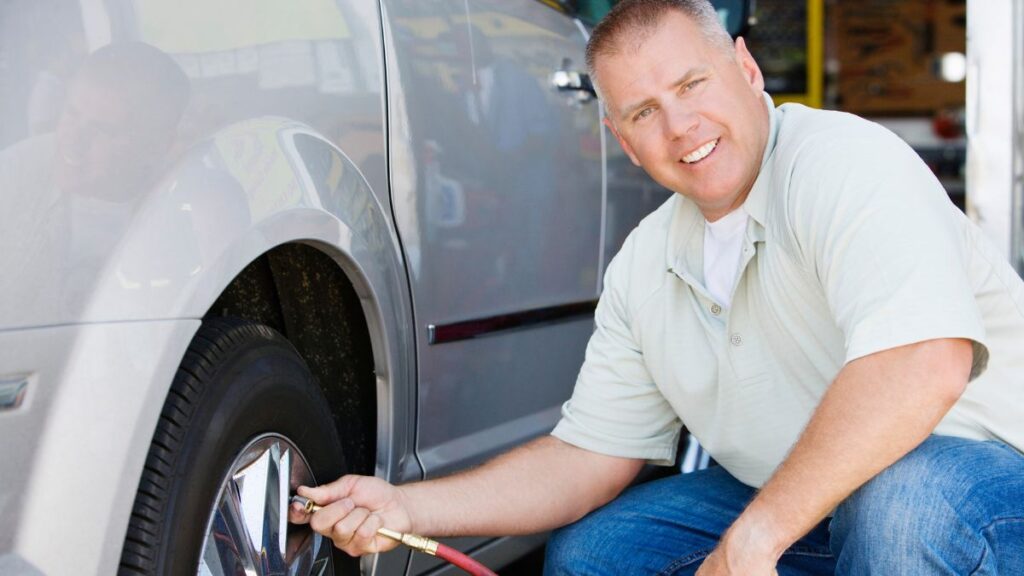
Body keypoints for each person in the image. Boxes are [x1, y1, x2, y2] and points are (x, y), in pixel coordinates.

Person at [291, 1, 1024, 574]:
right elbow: (584, 462)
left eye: (691, 84)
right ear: (620, 136)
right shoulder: (645, 266)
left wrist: (753, 542)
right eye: (644, 112)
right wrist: (404, 505)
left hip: (983, 495)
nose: (680, 126)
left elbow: (924, 361)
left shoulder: (844, 164)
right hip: (833, 515)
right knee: (602, 553)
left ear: (746, 67)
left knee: (904, 506)